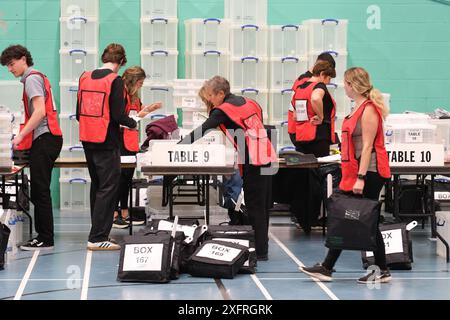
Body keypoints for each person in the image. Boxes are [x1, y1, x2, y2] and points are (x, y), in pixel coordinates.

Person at [300, 67, 392, 284]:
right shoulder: (358, 107)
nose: (344, 87)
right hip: (358, 170)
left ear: (354, 85)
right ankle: (331, 267)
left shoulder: (369, 109)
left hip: (369, 171)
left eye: (346, 84)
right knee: (351, 217)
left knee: (361, 219)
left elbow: (368, 145)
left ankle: (332, 267)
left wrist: (360, 177)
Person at [179, 76, 276, 260]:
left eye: (210, 96)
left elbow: (201, 131)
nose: (209, 100)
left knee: (255, 206)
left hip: (253, 160)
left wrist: (177, 147)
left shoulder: (223, 110)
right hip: (268, 154)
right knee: (263, 206)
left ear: (221, 93)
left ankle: (260, 252)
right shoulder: (250, 102)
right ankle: (262, 247)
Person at [1, 45, 63, 250]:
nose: (10, 69)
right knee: (39, 190)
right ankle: (44, 235)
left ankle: (45, 238)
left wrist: (20, 136)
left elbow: (40, 112)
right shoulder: (35, 78)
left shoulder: (31, 79)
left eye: (11, 64)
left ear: (23, 59)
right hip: (46, 138)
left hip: (46, 138)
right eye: (7, 66)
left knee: (40, 190)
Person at [76, 43, 137, 250]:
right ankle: (98, 237)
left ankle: (96, 233)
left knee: (97, 185)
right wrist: (133, 122)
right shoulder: (115, 80)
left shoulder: (84, 76)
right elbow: (118, 115)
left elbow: (78, 113)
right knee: (109, 187)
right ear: (121, 62)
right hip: (106, 140)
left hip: (86, 137)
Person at [288, 61, 337, 232]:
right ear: (324, 74)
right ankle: (317, 216)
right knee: (319, 179)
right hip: (318, 138)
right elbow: (316, 97)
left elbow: (294, 113)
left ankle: (303, 218)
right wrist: (321, 116)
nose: (329, 83)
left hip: (302, 138)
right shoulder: (319, 86)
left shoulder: (300, 88)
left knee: (303, 180)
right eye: (329, 78)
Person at [112, 66, 162, 229]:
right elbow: (121, 119)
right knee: (118, 178)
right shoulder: (121, 95)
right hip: (120, 141)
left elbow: (135, 118)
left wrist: (147, 110)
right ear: (132, 81)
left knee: (127, 178)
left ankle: (125, 211)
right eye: (140, 82)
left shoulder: (134, 97)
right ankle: (114, 213)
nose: (141, 85)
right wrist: (141, 114)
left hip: (131, 142)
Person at [198, 85, 245, 225]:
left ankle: (238, 219)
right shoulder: (219, 108)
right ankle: (234, 217)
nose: (208, 101)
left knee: (234, 186)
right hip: (227, 152)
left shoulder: (222, 110)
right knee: (229, 186)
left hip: (233, 151)